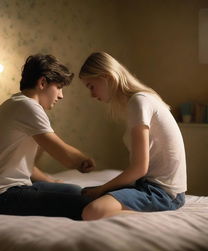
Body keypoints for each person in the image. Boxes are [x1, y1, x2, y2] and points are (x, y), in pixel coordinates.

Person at [0, 54, 95, 220]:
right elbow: (63, 155)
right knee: (88, 203)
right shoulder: (28, 106)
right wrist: (84, 161)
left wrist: (50, 182)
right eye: (59, 87)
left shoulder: (17, 104)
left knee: (77, 190)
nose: (61, 95)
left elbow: (26, 167)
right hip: (3, 197)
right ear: (42, 83)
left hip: (8, 192)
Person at [79, 52, 186, 220]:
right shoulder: (141, 100)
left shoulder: (139, 102)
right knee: (82, 198)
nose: (92, 95)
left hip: (162, 193)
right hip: (150, 186)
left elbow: (139, 168)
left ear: (107, 77)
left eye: (91, 86)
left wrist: (102, 189)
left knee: (92, 211)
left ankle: (155, 216)